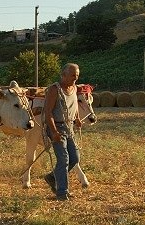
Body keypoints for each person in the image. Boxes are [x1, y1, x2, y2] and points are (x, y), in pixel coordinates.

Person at [43, 63, 82, 201]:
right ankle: (62, 192)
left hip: (69, 127)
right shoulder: (54, 90)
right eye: (72, 75)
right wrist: (53, 132)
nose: (75, 78)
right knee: (64, 159)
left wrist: (76, 118)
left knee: (75, 158)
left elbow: (74, 105)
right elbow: (48, 112)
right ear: (63, 75)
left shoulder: (74, 88)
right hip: (57, 128)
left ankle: (52, 177)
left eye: (76, 75)